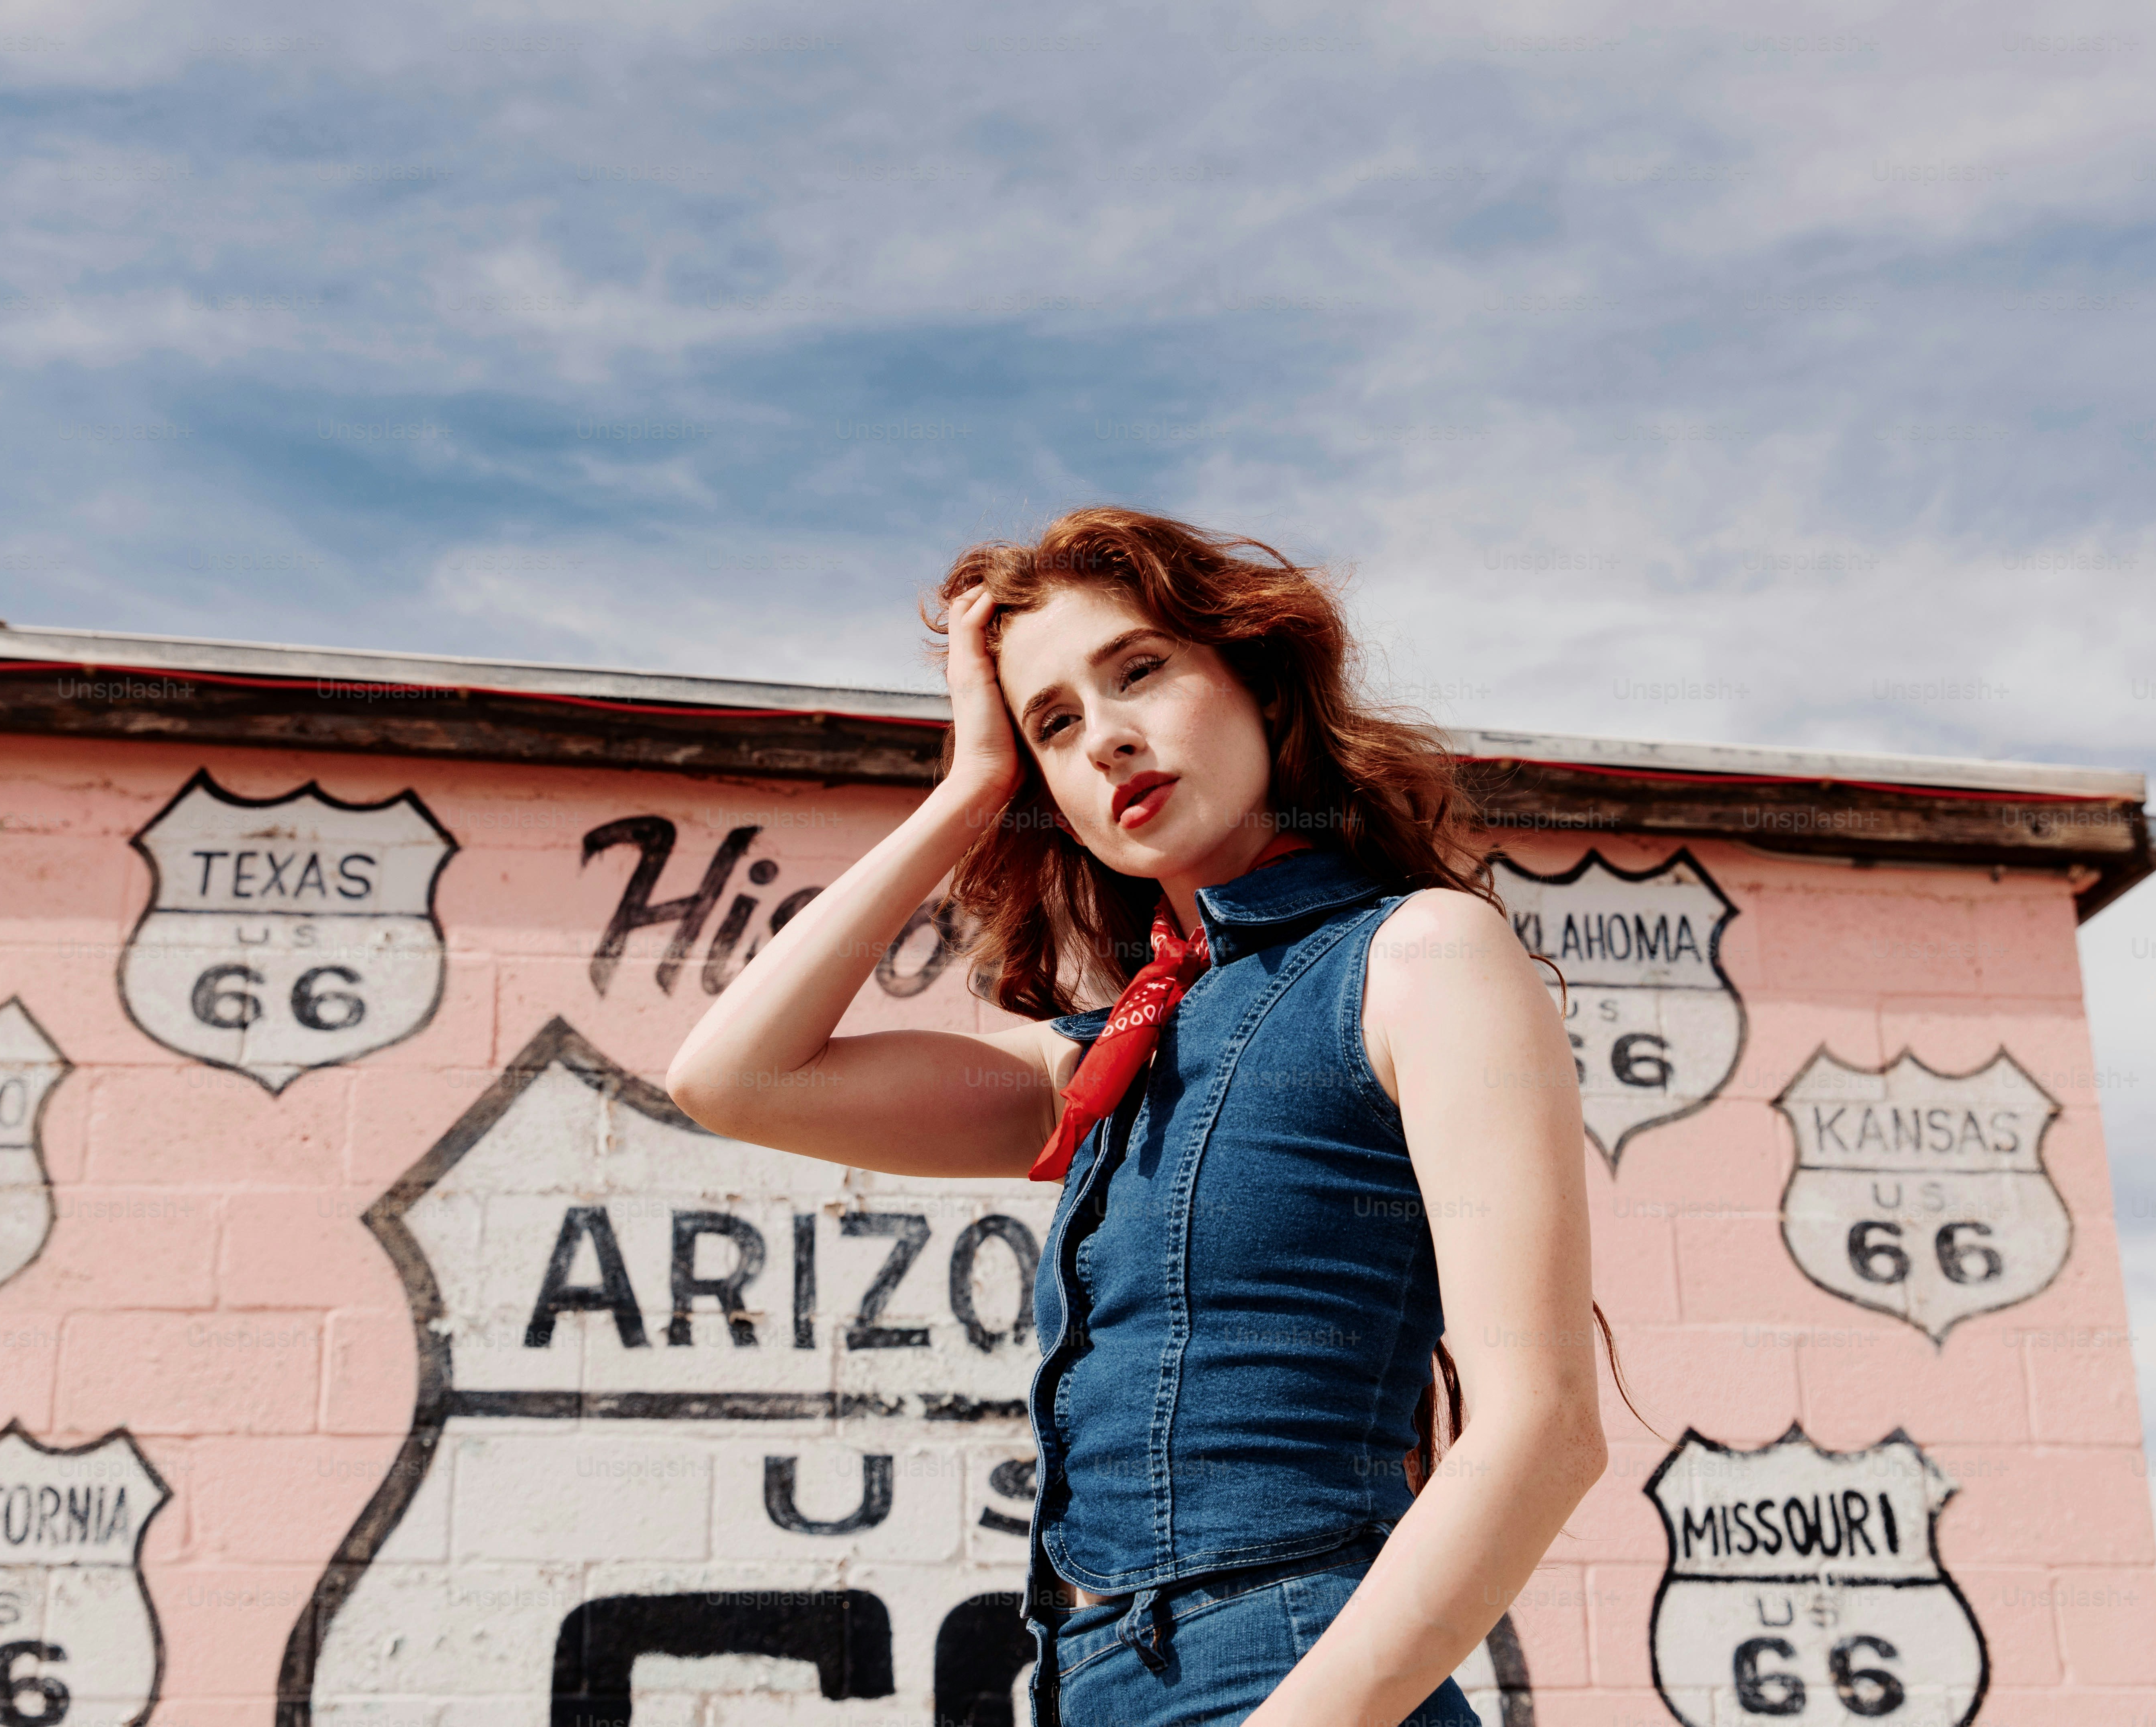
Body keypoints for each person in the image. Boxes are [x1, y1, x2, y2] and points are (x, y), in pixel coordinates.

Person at [667, 506, 1615, 1726]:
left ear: (1261, 686)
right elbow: (733, 1078)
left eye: (1141, 671)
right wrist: (972, 785)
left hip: (1293, 1672)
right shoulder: (1108, 1059)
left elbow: (1543, 1427)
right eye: (1056, 723)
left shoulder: (1419, 955)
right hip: (1083, 1681)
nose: (1108, 737)